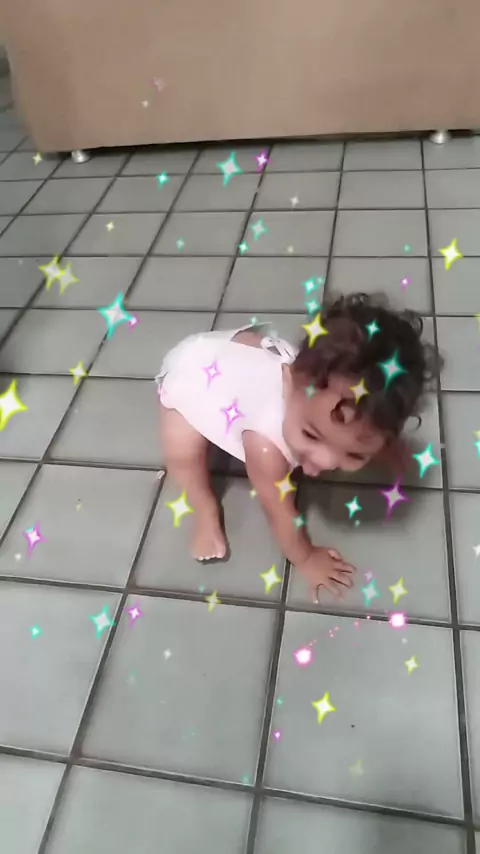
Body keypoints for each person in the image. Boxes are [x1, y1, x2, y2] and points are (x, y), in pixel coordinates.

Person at [158, 293, 434, 602]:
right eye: (311, 435)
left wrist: (383, 446)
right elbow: (280, 514)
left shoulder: (314, 390)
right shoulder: (266, 450)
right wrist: (306, 558)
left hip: (228, 364)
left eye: (355, 453)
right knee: (183, 455)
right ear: (289, 383)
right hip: (192, 379)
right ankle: (204, 508)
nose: (324, 462)